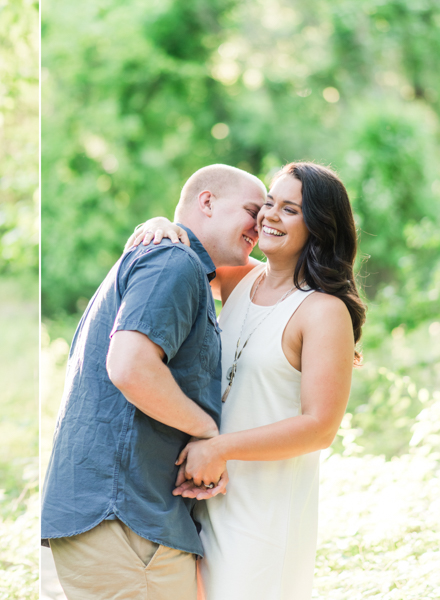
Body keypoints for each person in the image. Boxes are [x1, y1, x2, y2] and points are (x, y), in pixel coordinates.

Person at [128, 162, 365, 600]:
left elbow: (321, 427)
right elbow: (188, 244)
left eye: (290, 209)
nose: (269, 215)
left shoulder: (323, 311)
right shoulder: (243, 280)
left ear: (319, 226)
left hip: (265, 517)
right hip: (204, 503)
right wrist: (160, 223)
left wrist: (219, 447)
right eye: (269, 203)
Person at [41, 164, 268, 600]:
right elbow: (130, 366)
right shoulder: (173, 261)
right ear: (207, 202)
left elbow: (277, 276)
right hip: (125, 516)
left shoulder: (176, 261)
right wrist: (208, 434)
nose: (259, 224)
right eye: (251, 210)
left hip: (124, 516)